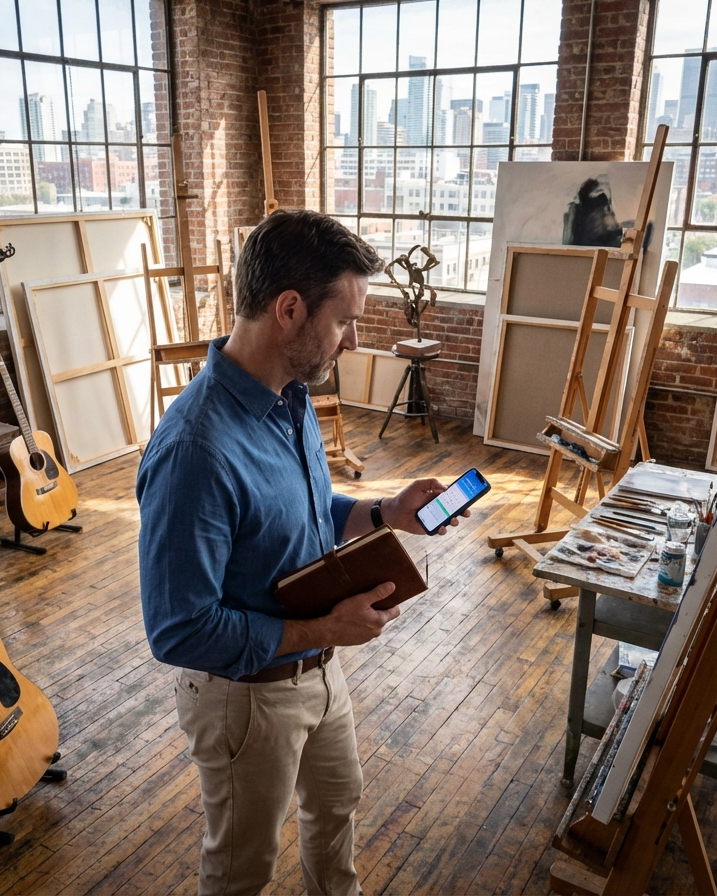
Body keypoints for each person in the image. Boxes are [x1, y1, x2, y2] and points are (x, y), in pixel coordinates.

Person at [136, 210, 468, 895]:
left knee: (336, 819)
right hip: (245, 698)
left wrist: (386, 513)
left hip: (318, 671)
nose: (349, 341)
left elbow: (307, 515)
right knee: (241, 873)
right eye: (343, 321)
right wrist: (325, 630)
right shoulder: (196, 450)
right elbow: (178, 629)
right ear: (289, 309)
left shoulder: (286, 397)